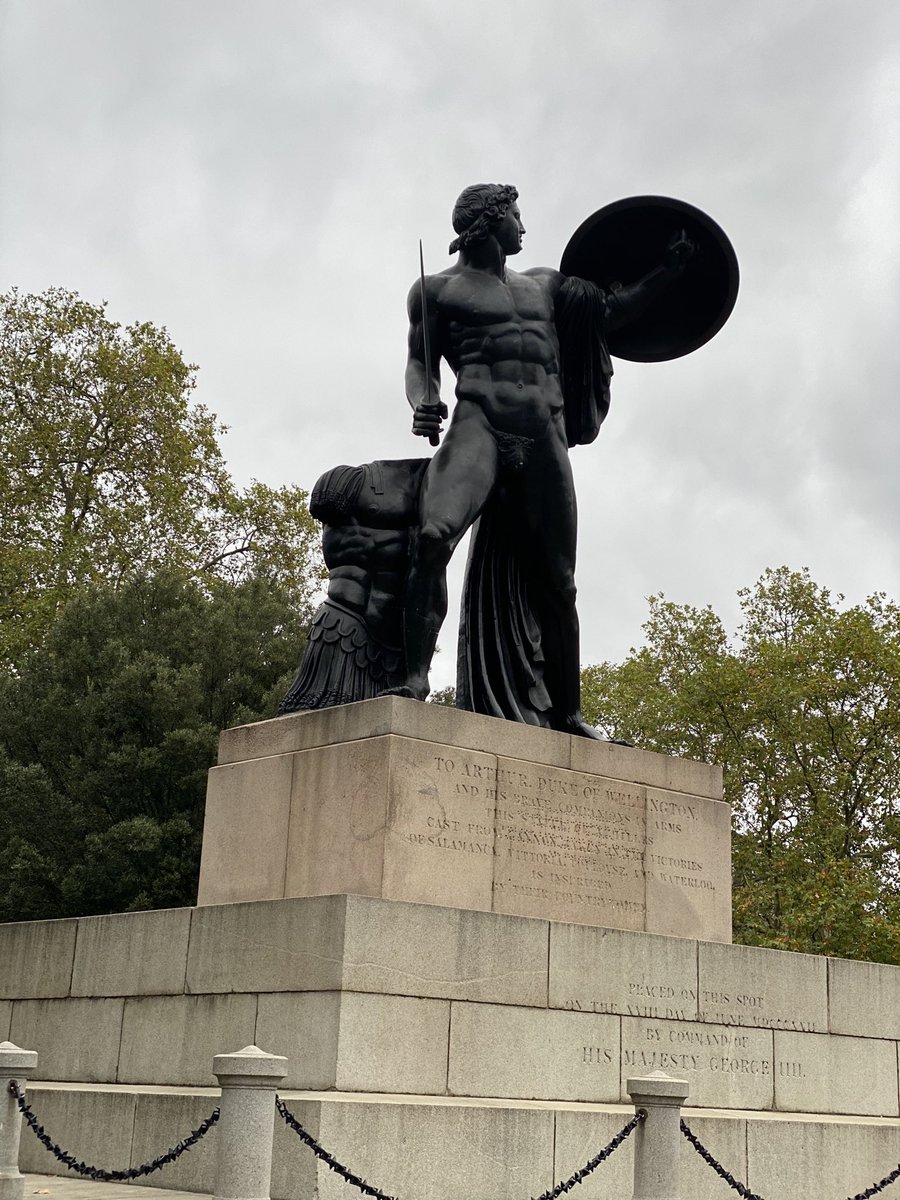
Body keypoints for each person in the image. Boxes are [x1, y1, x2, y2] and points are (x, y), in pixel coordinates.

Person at [389, 183, 694, 738]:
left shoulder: (547, 285)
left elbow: (614, 313)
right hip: (480, 423)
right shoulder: (435, 290)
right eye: (515, 215)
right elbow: (420, 364)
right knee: (433, 538)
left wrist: (668, 271)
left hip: (545, 431)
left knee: (560, 582)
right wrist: (423, 402)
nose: (524, 227)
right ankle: (413, 681)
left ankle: (568, 713)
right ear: (488, 222)